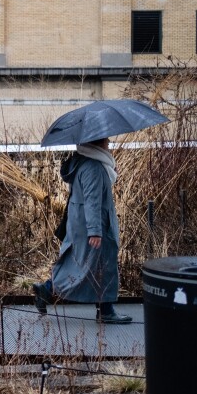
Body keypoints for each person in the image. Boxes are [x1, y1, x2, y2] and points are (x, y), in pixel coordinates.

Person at [32, 138, 132, 324]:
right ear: (96, 143)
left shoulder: (83, 161)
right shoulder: (93, 167)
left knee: (80, 264)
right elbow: (92, 201)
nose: (109, 141)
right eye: (105, 139)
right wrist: (95, 231)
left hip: (80, 223)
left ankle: (49, 289)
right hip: (95, 225)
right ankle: (105, 311)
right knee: (102, 265)